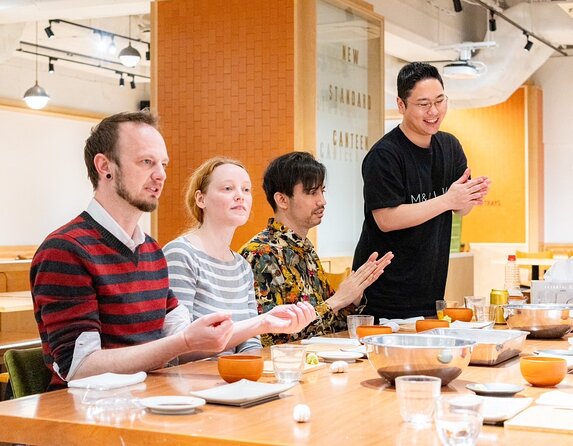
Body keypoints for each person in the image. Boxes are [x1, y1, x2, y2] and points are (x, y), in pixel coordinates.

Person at [30, 111, 235, 389]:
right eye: (146, 162)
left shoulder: (151, 250)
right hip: (90, 415)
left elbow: (182, 336)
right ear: (105, 167)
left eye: (163, 164)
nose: (160, 175)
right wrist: (182, 342)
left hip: (152, 401)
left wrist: (255, 326)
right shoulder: (65, 250)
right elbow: (79, 367)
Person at [352, 62, 490, 320]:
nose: (434, 111)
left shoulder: (450, 146)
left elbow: (461, 208)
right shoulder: (385, 155)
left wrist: (467, 197)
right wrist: (448, 199)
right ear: (401, 105)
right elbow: (386, 220)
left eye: (440, 101)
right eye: (423, 104)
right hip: (385, 297)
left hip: (430, 293)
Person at [163, 157, 316, 354]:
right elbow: (178, 347)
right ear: (201, 199)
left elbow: (251, 343)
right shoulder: (180, 254)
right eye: (228, 188)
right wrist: (263, 323)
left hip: (234, 378)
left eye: (245, 189)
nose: (240, 196)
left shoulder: (242, 267)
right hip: (193, 380)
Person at [240, 152, 393, 345]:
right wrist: (337, 300)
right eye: (312, 192)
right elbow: (270, 337)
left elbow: (329, 324)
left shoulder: (305, 248)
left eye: (322, 191)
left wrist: (353, 298)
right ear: (282, 199)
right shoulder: (259, 253)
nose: (322, 201)